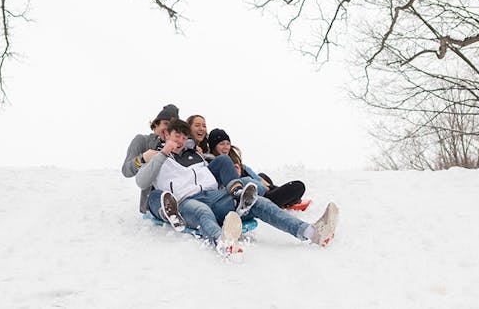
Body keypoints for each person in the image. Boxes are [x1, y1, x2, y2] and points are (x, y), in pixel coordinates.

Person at [135, 119, 339, 254]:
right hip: (186, 201)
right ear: (166, 135)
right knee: (202, 211)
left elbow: (217, 168)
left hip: (215, 195)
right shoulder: (156, 156)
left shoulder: (195, 154)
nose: (179, 140)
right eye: (175, 136)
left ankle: (311, 233)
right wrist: (162, 154)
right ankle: (223, 243)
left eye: (182, 136)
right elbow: (141, 182)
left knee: (260, 203)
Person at [204, 128, 307, 208]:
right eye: (221, 144)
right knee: (298, 186)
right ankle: (287, 198)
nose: (226, 147)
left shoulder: (235, 161)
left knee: (262, 176)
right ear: (214, 147)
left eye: (228, 144)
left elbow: (258, 179)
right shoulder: (215, 164)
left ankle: (283, 195)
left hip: (261, 188)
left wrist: (270, 187)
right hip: (256, 197)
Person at [121, 104, 179, 214]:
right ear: (156, 124)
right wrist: (142, 159)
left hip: (179, 198)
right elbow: (126, 171)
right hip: (153, 203)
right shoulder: (142, 141)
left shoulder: (178, 145)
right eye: (166, 123)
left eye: (172, 126)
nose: (168, 128)